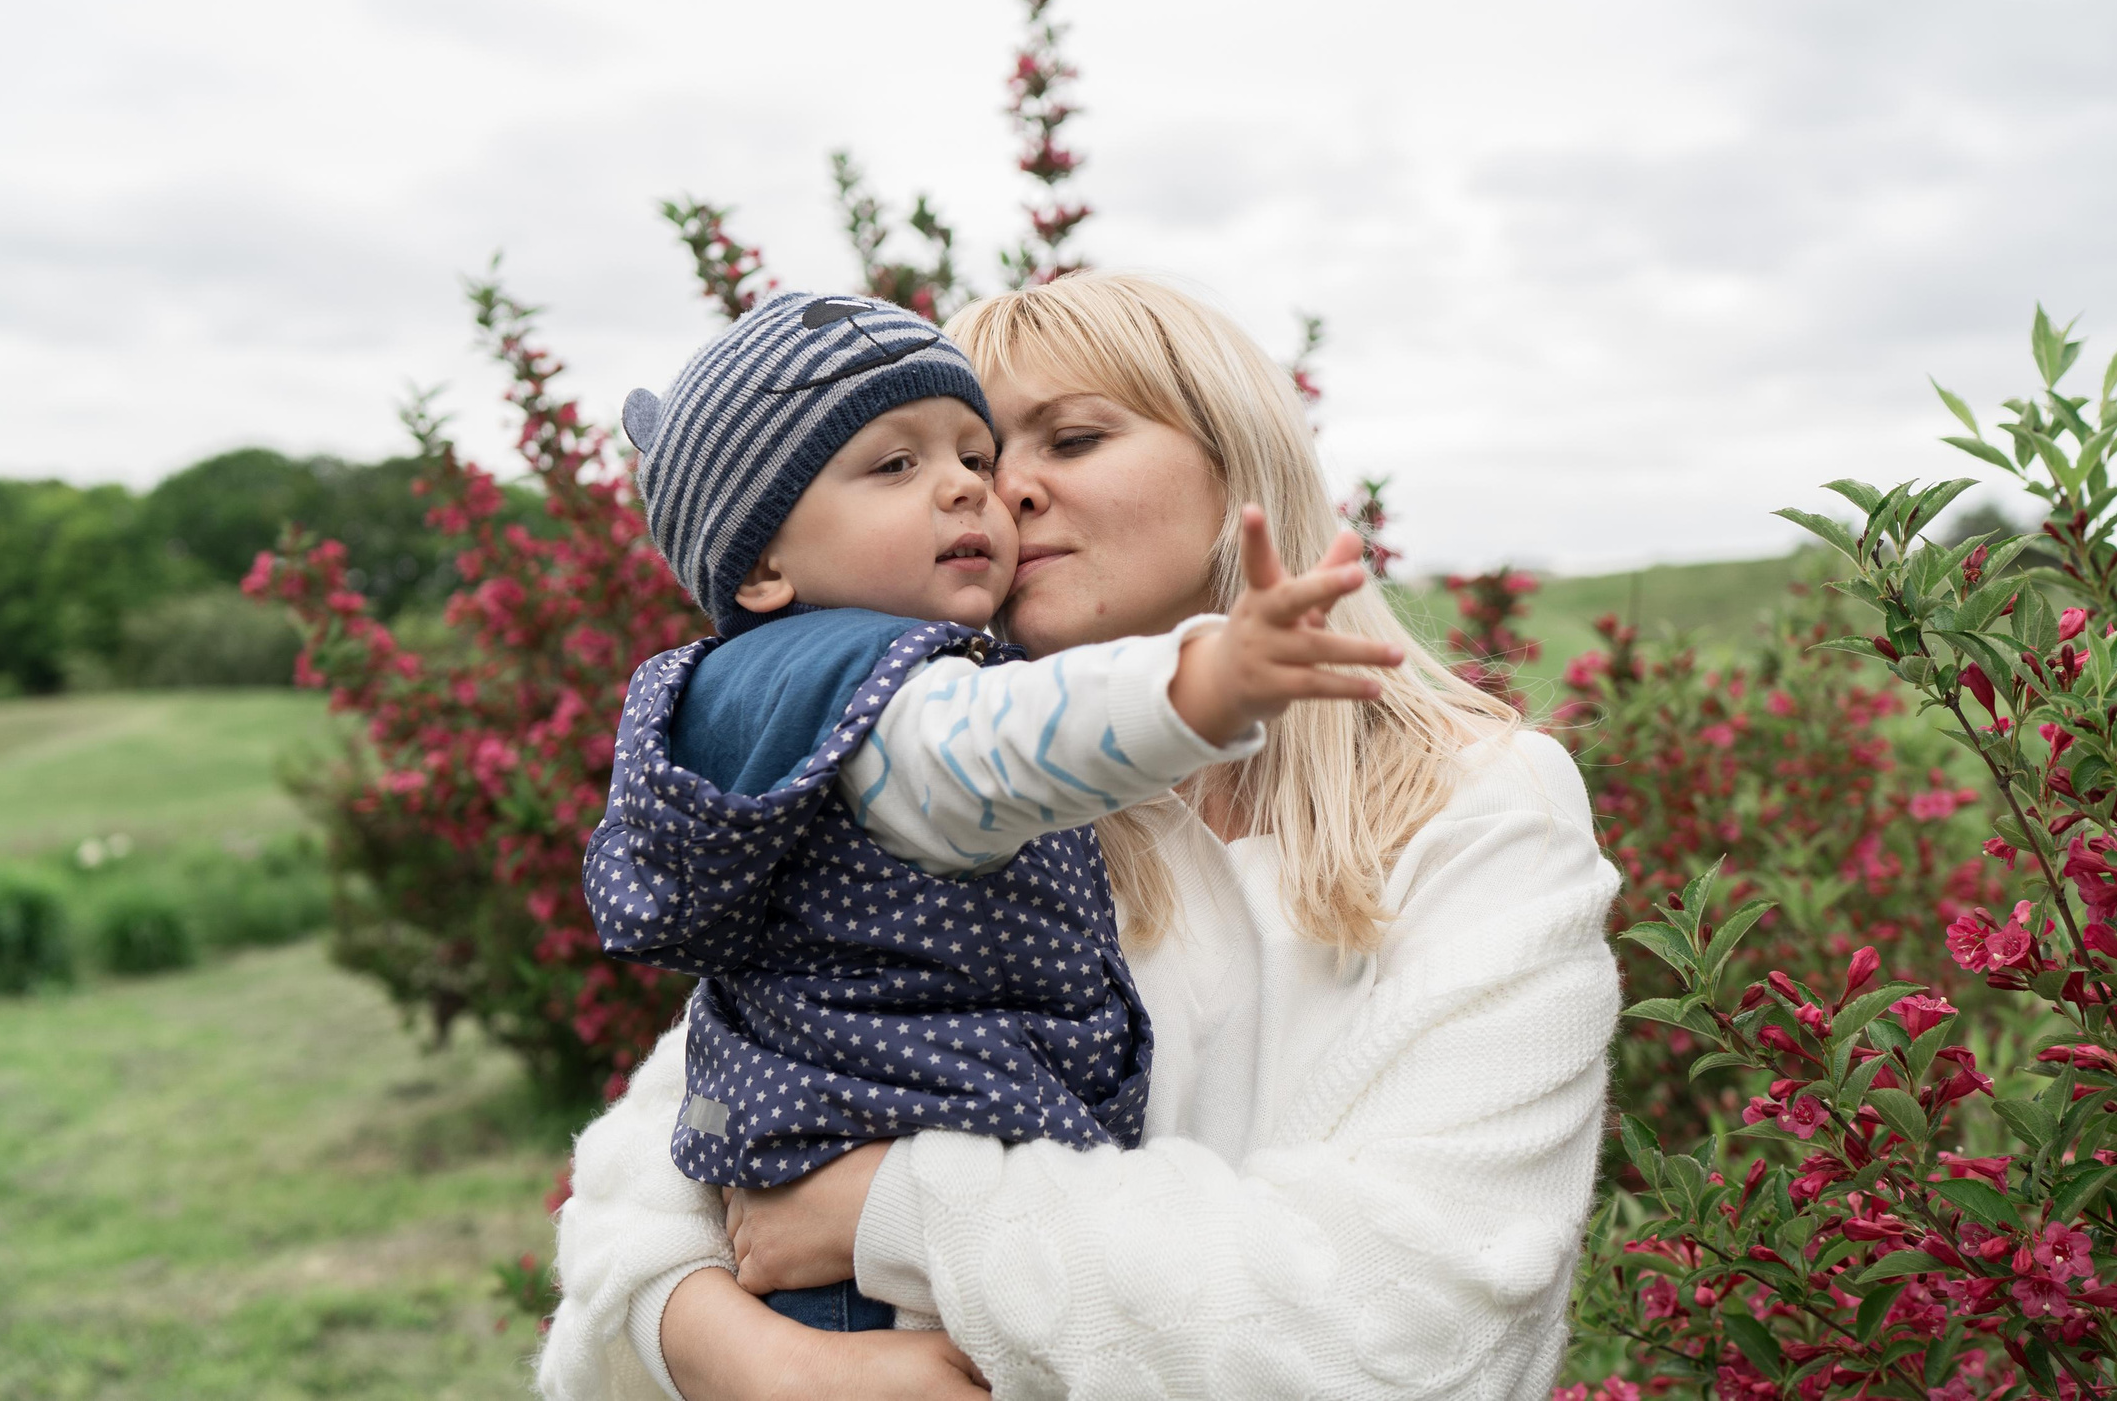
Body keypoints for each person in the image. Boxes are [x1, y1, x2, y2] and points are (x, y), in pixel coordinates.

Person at [539, 273, 1621, 1401]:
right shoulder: (924, 789)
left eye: (1069, 437)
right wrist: (751, 1357)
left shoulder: (1481, 807)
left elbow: (1407, 1332)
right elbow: (645, 1182)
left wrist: (890, 1209)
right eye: (950, 460)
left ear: (1239, 463)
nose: (995, 493)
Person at [588, 288, 1403, 1335]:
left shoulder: (786, 691)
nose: (984, 491)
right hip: (887, 1302)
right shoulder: (881, 703)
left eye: (977, 455)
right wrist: (1202, 685)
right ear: (760, 566)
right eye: (895, 465)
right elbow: (1003, 744)